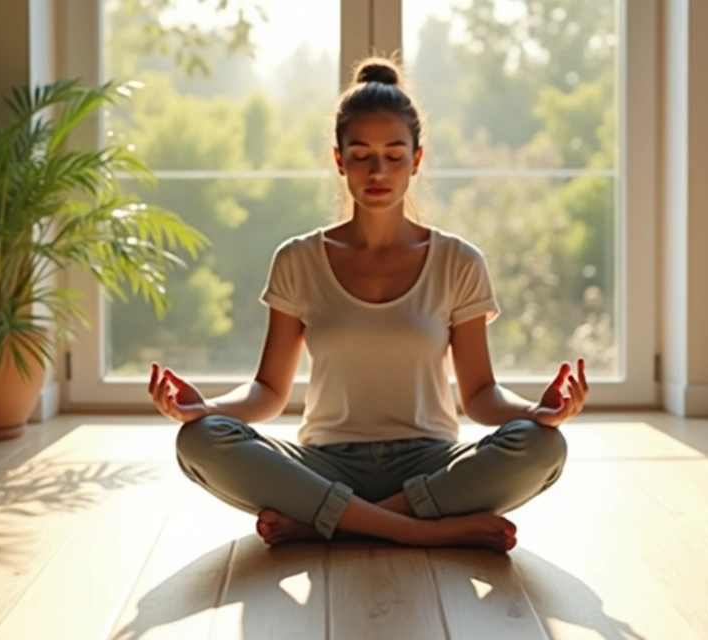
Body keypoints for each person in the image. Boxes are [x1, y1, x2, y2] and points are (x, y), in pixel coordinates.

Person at [148, 57, 588, 552]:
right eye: (361, 155)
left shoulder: (458, 261)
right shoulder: (298, 259)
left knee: (543, 446)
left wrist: (537, 411)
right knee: (199, 440)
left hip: (430, 466)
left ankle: (331, 523)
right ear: (339, 160)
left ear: (417, 160)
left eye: (394, 155)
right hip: (324, 465)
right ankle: (421, 529)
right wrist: (206, 408)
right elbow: (269, 391)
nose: (378, 171)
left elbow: (481, 394)